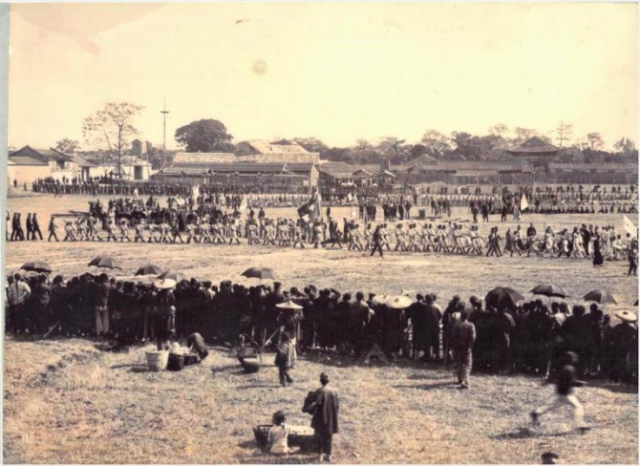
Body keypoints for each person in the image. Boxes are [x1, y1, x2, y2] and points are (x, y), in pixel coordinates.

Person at [531, 351, 589, 433]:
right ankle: (581, 425)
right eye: (574, 358)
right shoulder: (570, 369)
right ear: (571, 359)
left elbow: (553, 377)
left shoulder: (562, 368)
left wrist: (546, 382)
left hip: (559, 392)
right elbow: (570, 382)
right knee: (578, 407)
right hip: (566, 393)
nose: (575, 359)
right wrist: (580, 384)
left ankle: (536, 413)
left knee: (550, 405)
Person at [309, 373, 339, 463]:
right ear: (328, 381)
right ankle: (328, 455)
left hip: (320, 417)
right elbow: (337, 405)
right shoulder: (334, 391)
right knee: (329, 436)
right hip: (331, 417)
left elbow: (316, 404)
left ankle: (320, 455)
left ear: (321, 381)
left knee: (319, 436)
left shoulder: (319, 391)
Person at [452, 310, 476, 389]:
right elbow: (472, 337)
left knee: (459, 363)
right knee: (467, 364)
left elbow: (454, 336)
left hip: (458, 346)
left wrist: (454, 347)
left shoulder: (457, 325)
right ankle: (464, 381)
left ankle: (460, 379)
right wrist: (469, 346)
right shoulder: (471, 325)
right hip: (466, 347)